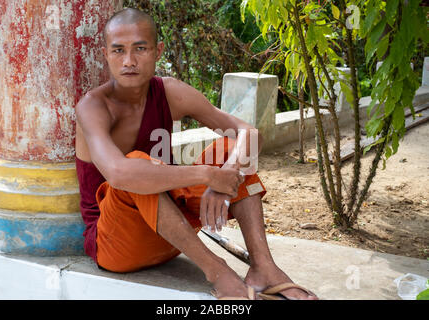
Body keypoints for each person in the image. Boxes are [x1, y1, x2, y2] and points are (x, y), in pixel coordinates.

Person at [75, 7, 318, 300]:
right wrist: (207, 175)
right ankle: (219, 272)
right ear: (105, 54)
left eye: (140, 48)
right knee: (136, 166)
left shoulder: (169, 92)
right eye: (118, 51)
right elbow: (119, 173)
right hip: (115, 245)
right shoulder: (93, 107)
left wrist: (226, 175)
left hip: (173, 235)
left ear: (157, 51)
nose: (129, 61)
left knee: (231, 149)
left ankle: (264, 267)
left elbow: (250, 134)